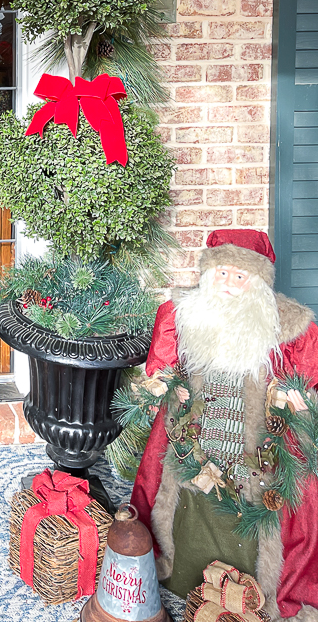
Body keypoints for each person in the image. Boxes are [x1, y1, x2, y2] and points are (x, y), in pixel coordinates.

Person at [130, 229, 318, 620]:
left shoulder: (294, 328)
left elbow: (308, 381)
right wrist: (163, 381)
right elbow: (162, 363)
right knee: (167, 485)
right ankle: (181, 565)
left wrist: (295, 398)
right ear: (207, 275)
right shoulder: (181, 313)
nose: (229, 285)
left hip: (259, 443)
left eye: (240, 276)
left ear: (258, 282)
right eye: (222, 274)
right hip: (194, 432)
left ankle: (264, 586)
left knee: (289, 501)